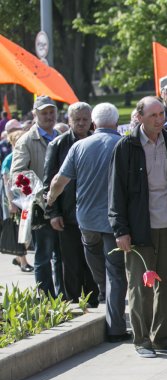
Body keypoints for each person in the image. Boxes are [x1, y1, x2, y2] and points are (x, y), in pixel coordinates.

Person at [108, 96, 167, 358]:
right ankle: (142, 340)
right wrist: (120, 229)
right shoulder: (127, 146)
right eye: (153, 115)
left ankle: (163, 338)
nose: (159, 120)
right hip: (139, 228)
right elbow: (116, 191)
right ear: (140, 116)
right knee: (140, 285)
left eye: (161, 115)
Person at [47, 103, 129, 342]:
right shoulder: (123, 145)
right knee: (115, 271)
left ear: (93, 123)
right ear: (115, 123)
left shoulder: (79, 146)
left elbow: (59, 181)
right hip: (114, 221)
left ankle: (105, 294)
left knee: (95, 260)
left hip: (86, 221)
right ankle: (115, 327)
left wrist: (50, 200)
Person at [43, 102, 99, 305]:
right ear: (69, 121)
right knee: (71, 263)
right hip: (67, 215)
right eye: (78, 120)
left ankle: (94, 301)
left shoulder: (97, 140)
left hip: (94, 213)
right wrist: (53, 212)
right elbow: (49, 181)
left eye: (86, 119)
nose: (82, 123)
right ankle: (73, 303)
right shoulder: (57, 145)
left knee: (93, 263)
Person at [10, 96, 63, 297]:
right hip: (41, 208)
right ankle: (47, 298)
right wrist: (43, 196)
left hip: (63, 205)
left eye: (51, 112)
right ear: (35, 114)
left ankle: (63, 296)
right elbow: (18, 175)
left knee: (62, 256)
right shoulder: (26, 141)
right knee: (43, 255)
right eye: (44, 113)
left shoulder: (60, 135)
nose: (49, 116)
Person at [2, 120, 33, 272]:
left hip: (27, 200)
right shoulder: (9, 159)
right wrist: (11, 202)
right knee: (23, 233)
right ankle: (23, 262)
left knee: (27, 233)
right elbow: (7, 182)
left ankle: (19, 258)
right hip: (18, 201)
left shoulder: (26, 154)